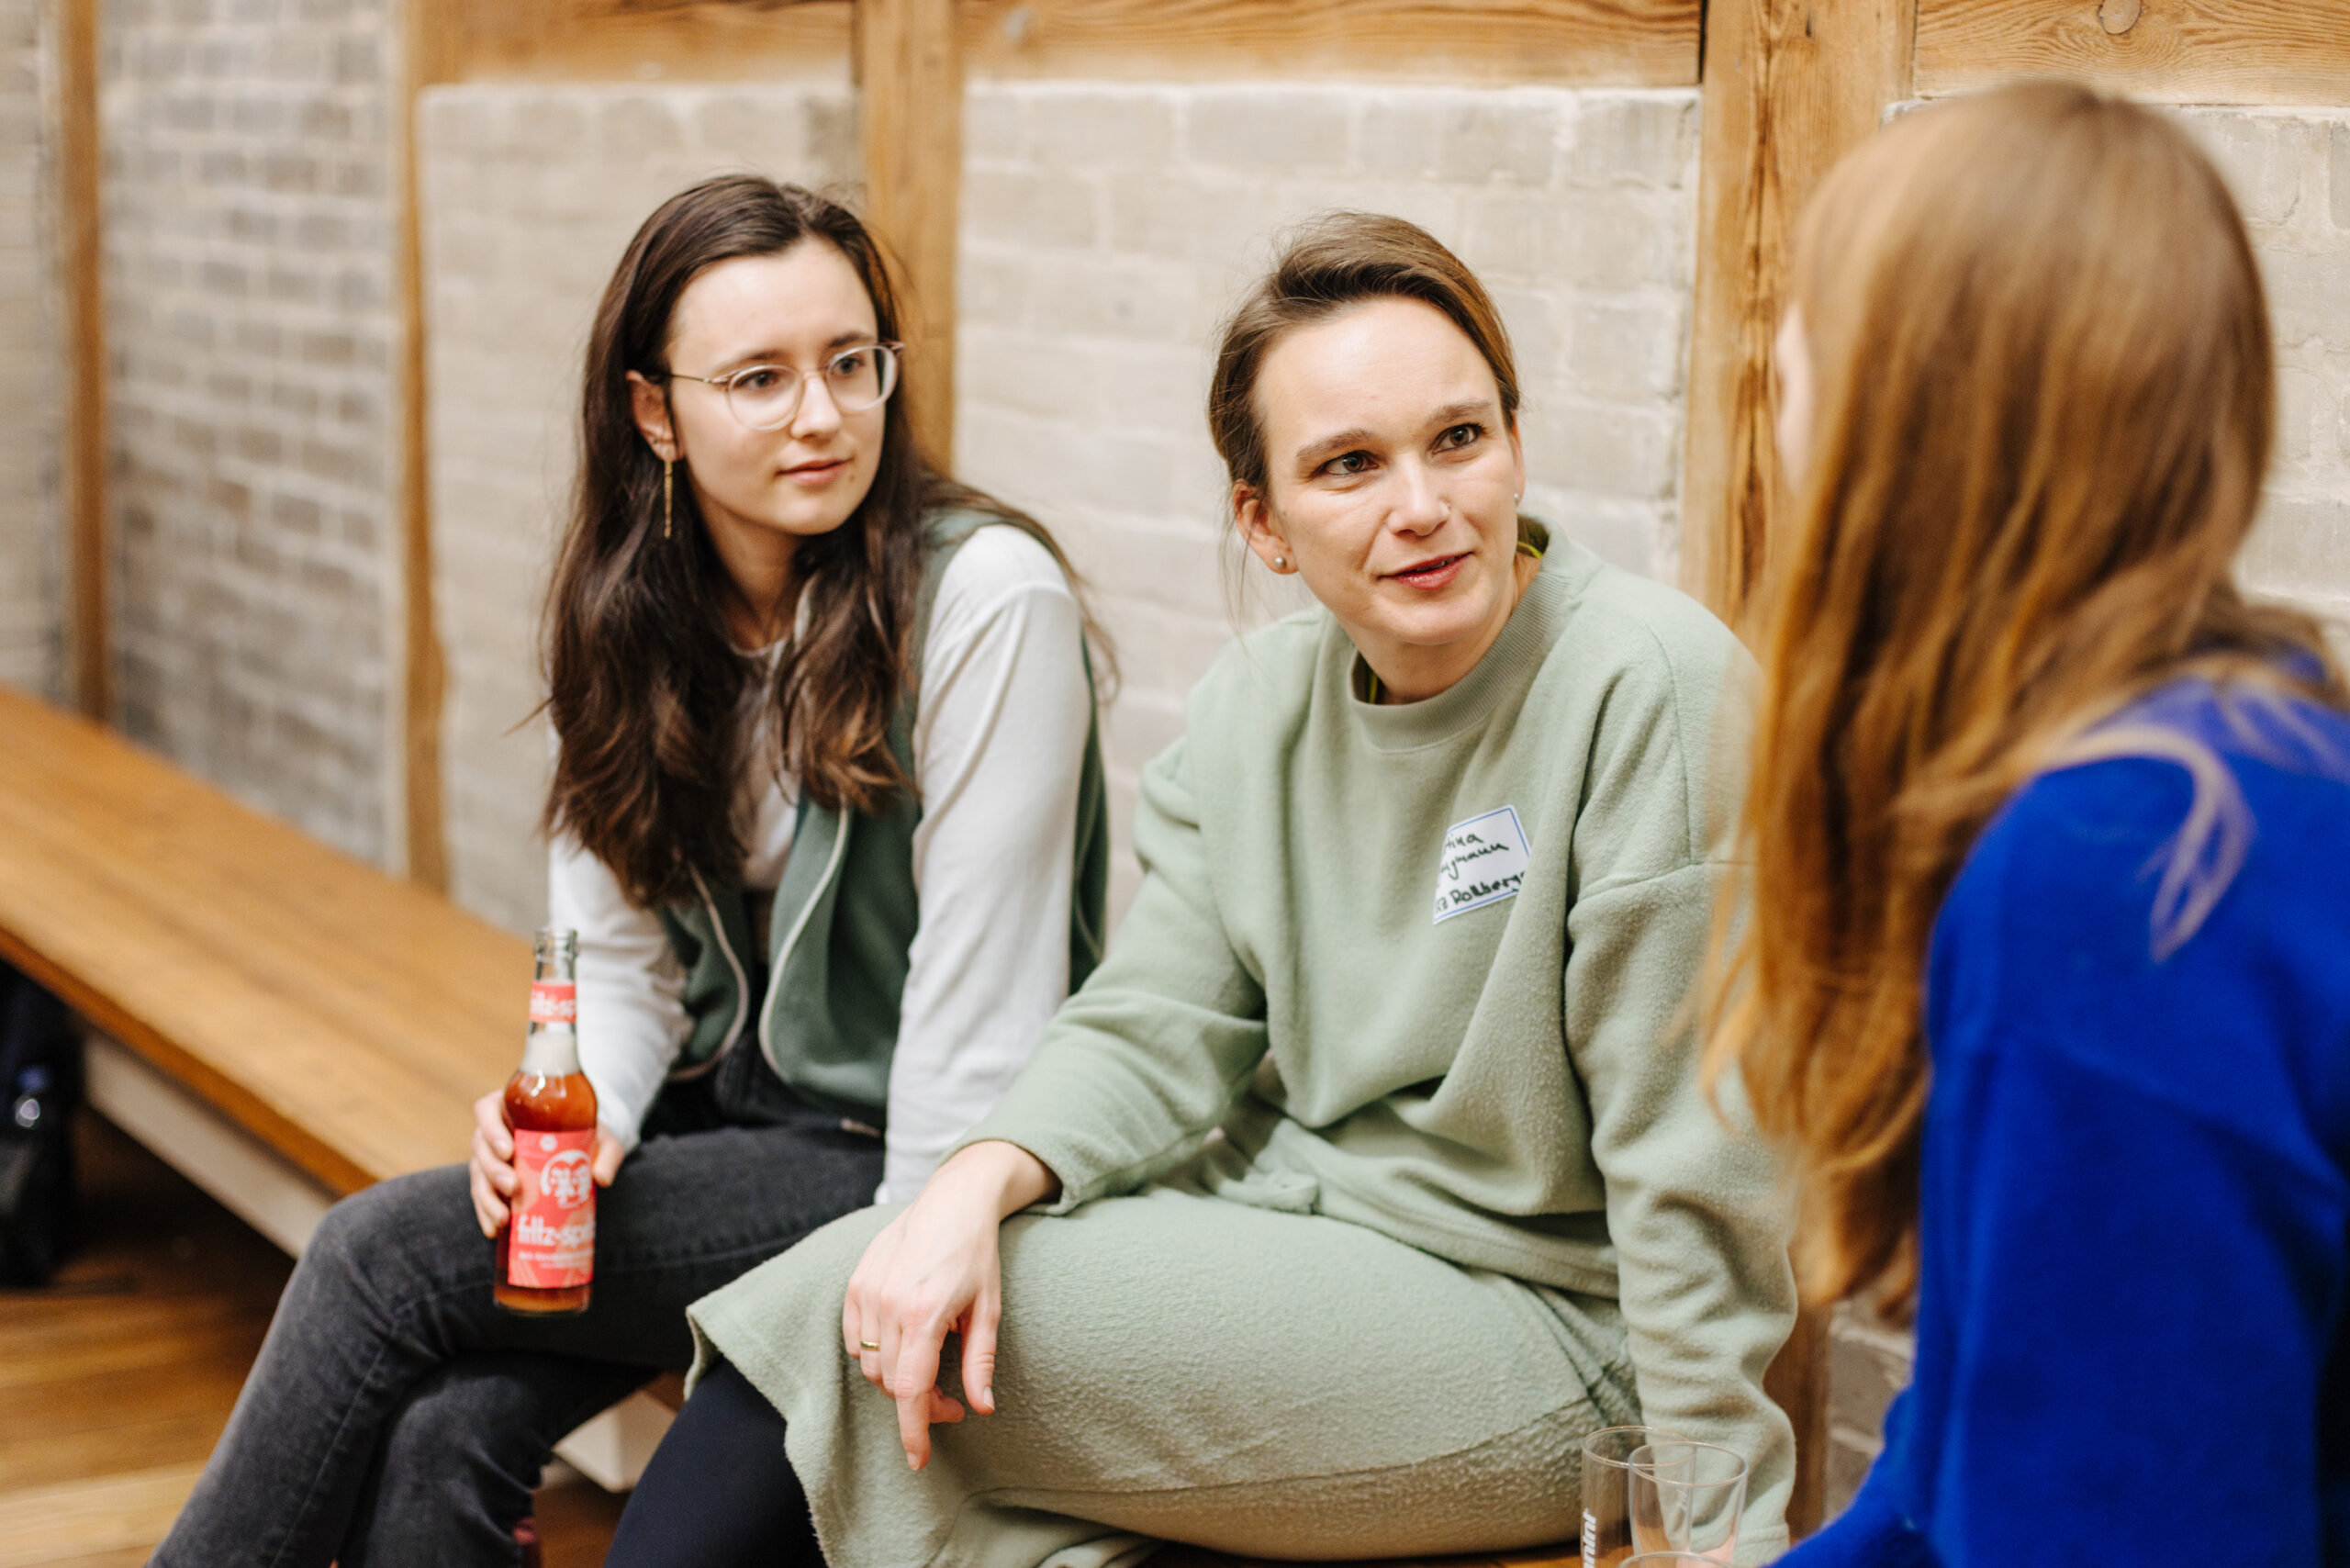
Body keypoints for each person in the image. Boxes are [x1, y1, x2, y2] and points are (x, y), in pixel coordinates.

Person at [603, 211, 1799, 1568]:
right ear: (1264, 522)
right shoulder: (1257, 710)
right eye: (1348, 465)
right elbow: (1153, 1017)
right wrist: (965, 1189)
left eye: (1459, 438)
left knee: (836, 1332)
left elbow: (1695, 1162)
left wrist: (1709, 1528)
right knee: (907, 1315)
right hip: (1287, 1240)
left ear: (1514, 444)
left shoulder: (1652, 689)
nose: (1423, 505)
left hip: (1552, 1332)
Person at [152, 175, 1110, 1568]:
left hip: (914, 1174)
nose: (822, 414)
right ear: (654, 411)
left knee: (379, 1255)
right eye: (760, 378)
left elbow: (981, 1043)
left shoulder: (984, 601)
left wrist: (885, 1300)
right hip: (722, 1131)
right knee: (440, 1435)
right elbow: (614, 962)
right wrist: (580, 1117)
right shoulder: (630, 615)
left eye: (852, 365)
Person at [1707, 83, 2350, 1566]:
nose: (1776, 363)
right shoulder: (2237, 760)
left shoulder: (2121, 881)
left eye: (1808, 311)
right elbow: (1942, 1483)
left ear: (1906, 406)